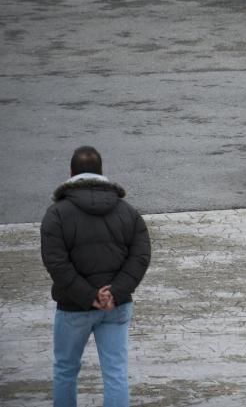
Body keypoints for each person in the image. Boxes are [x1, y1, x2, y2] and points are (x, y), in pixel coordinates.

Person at [40, 146, 151, 407]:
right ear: (102, 173)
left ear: (70, 173)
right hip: (117, 306)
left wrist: (89, 296)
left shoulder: (56, 214)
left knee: (65, 370)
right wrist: (116, 292)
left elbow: (56, 263)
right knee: (116, 373)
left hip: (72, 307)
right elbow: (141, 256)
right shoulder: (127, 212)